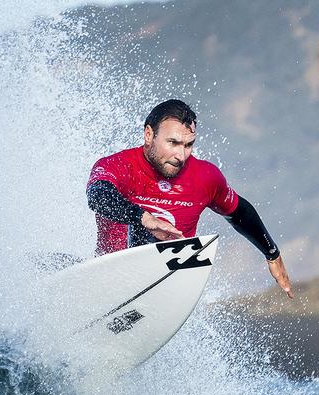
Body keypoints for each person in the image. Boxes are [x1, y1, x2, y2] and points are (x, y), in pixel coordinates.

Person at [86, 99, 293, 298]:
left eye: (188, 145)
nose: (181, 155)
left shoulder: (205, 177)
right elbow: (97, 196)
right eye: (173, 143)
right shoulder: (118, 166)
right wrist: (144, 217)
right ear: (149, 135)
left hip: (169, 283)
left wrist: (272, 254)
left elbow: (240, 213)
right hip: (111, 280)